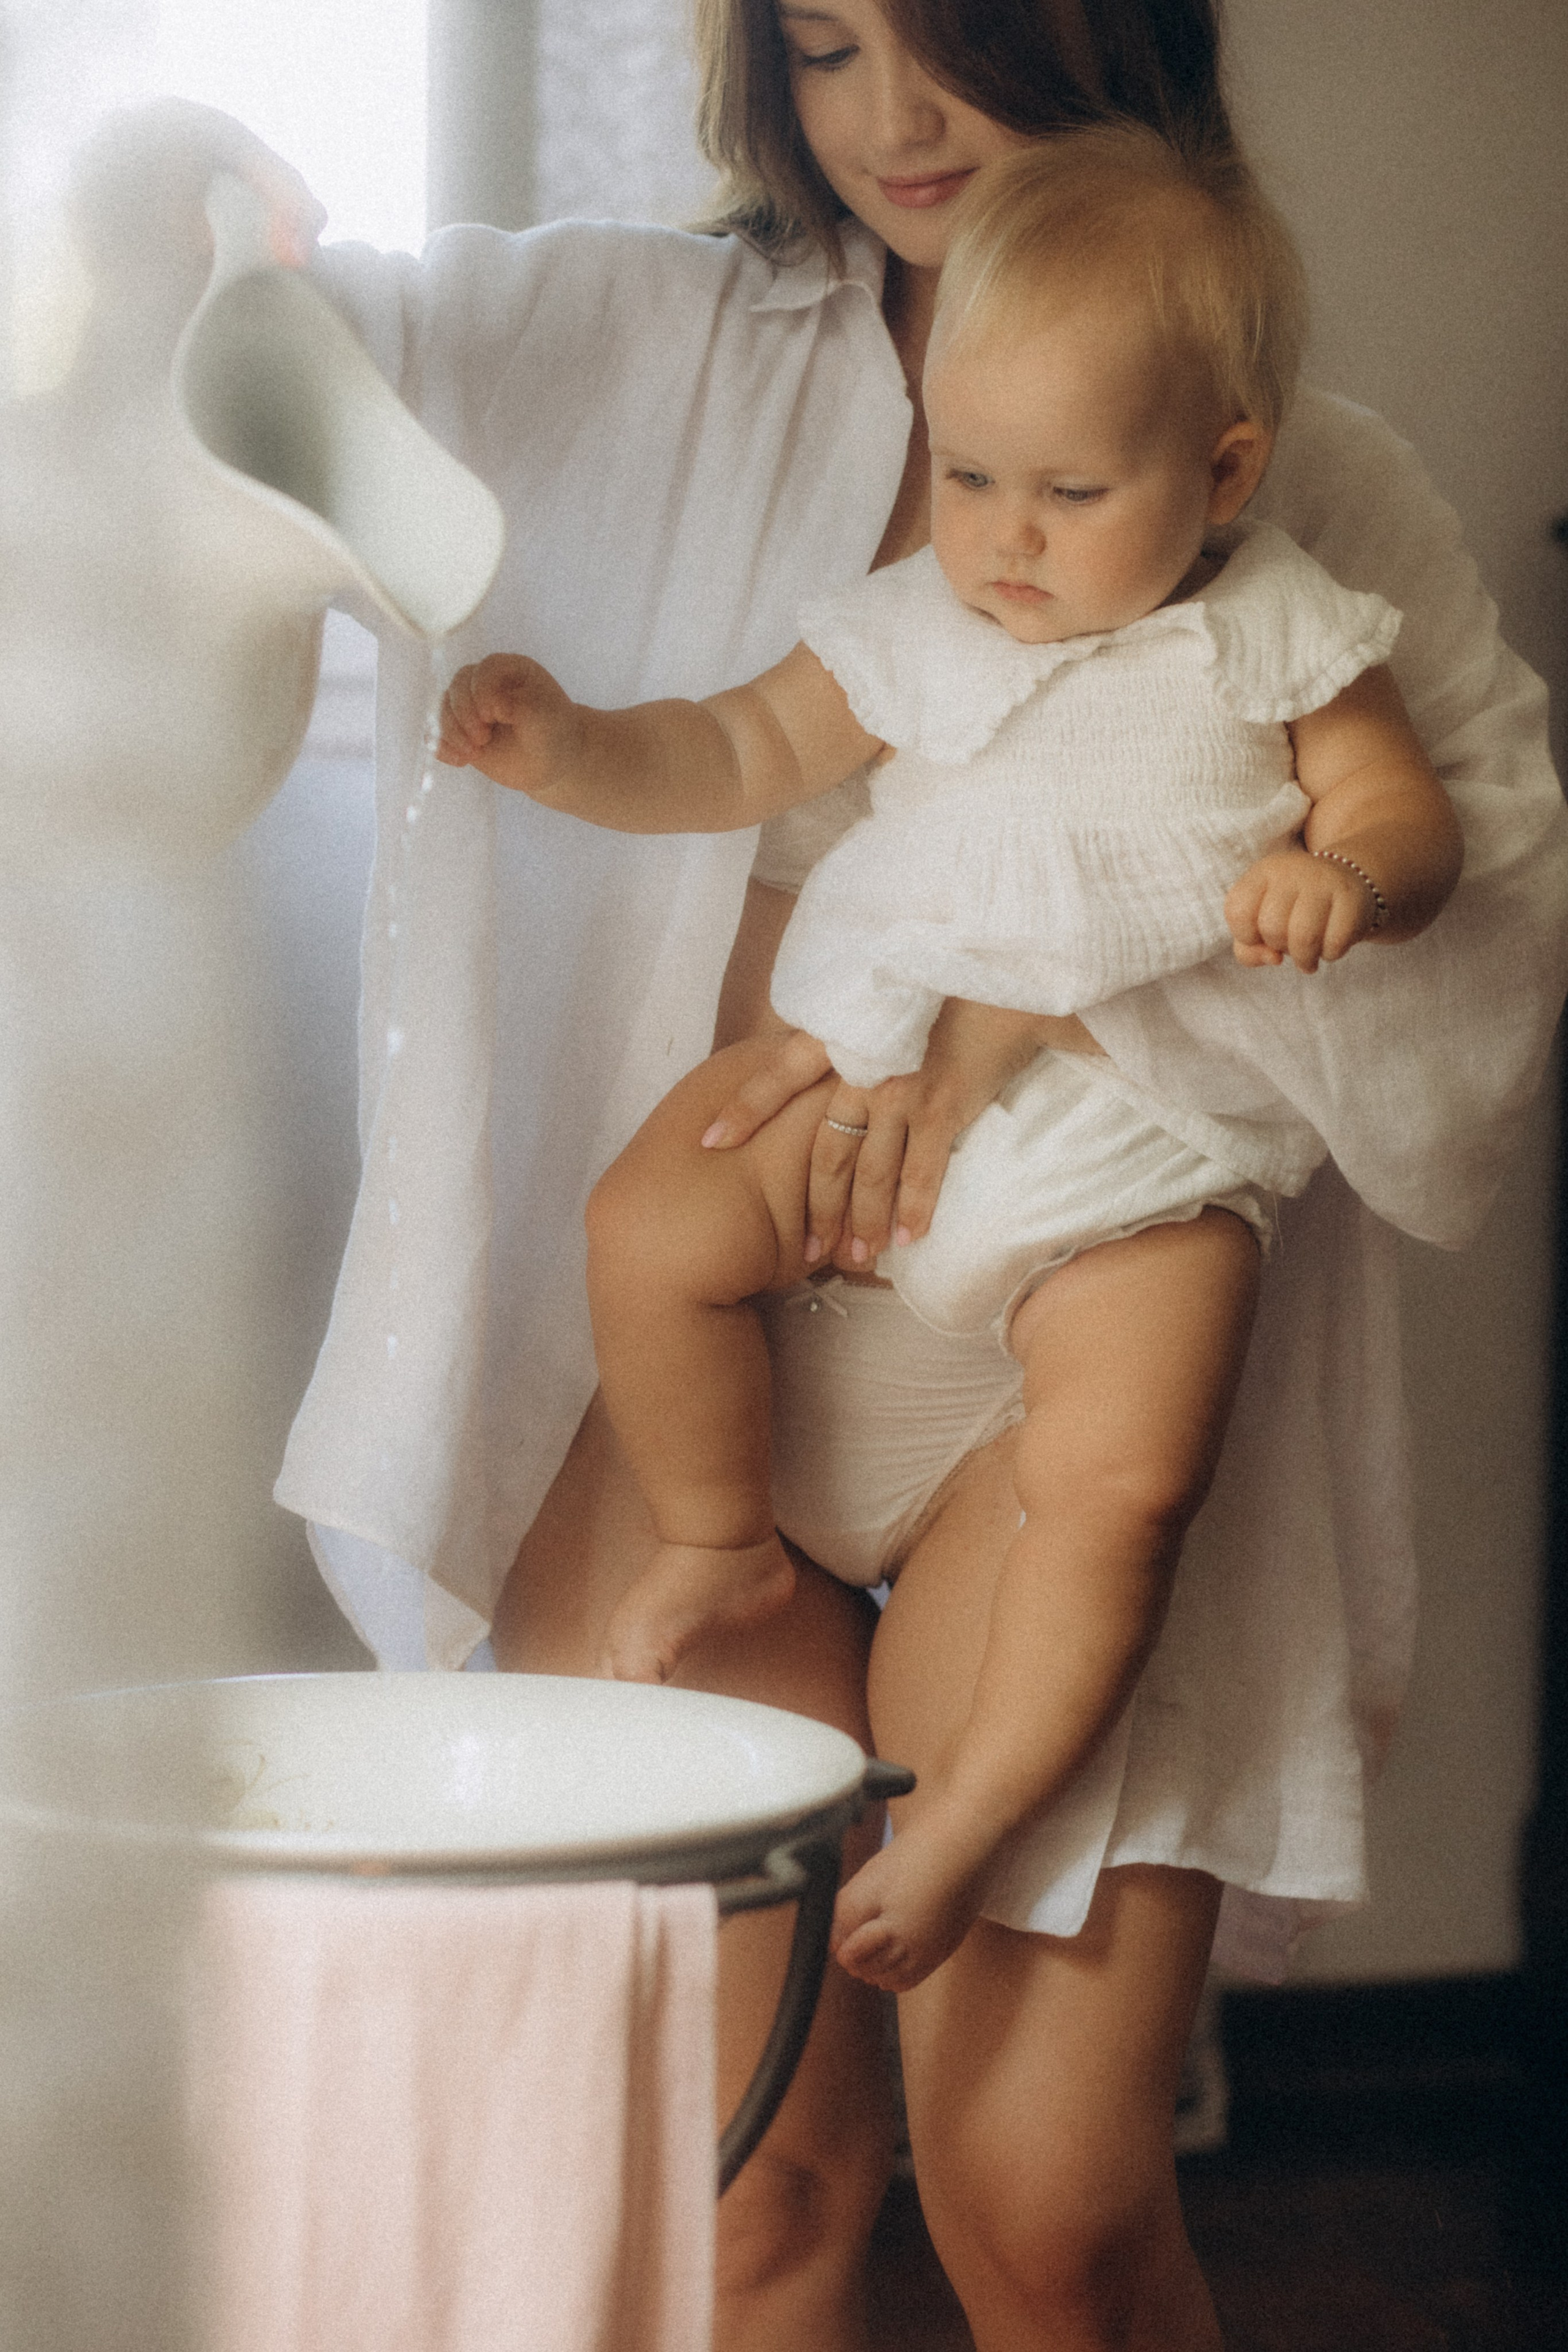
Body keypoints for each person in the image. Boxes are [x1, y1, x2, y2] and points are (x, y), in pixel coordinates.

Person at [86, 5, 1567, 2345]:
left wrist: (1007, 1024)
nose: (889, 118)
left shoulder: (1311, 505)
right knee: (738, 2172)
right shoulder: (642, 341)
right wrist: (181, 178)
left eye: (953, 35)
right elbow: (270, 325)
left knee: (1049, 2211)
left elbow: (1476, 962)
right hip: (729, 1352)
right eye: (824, 40)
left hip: (1085, 1340)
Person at [434, 127, 1465, 1997]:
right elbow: (738, 752)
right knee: (648, 1226)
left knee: (1122, 1483)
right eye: (969, 473)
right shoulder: (924, 616)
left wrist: (1352, 875)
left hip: (1136, 1152)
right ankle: (721, 1533)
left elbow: (1412, 818)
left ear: (1222, 469)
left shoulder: (1283, 626)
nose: (1001, 538)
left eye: (1070, 491)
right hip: (868, 1056)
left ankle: (982, 1810)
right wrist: (573, 745)